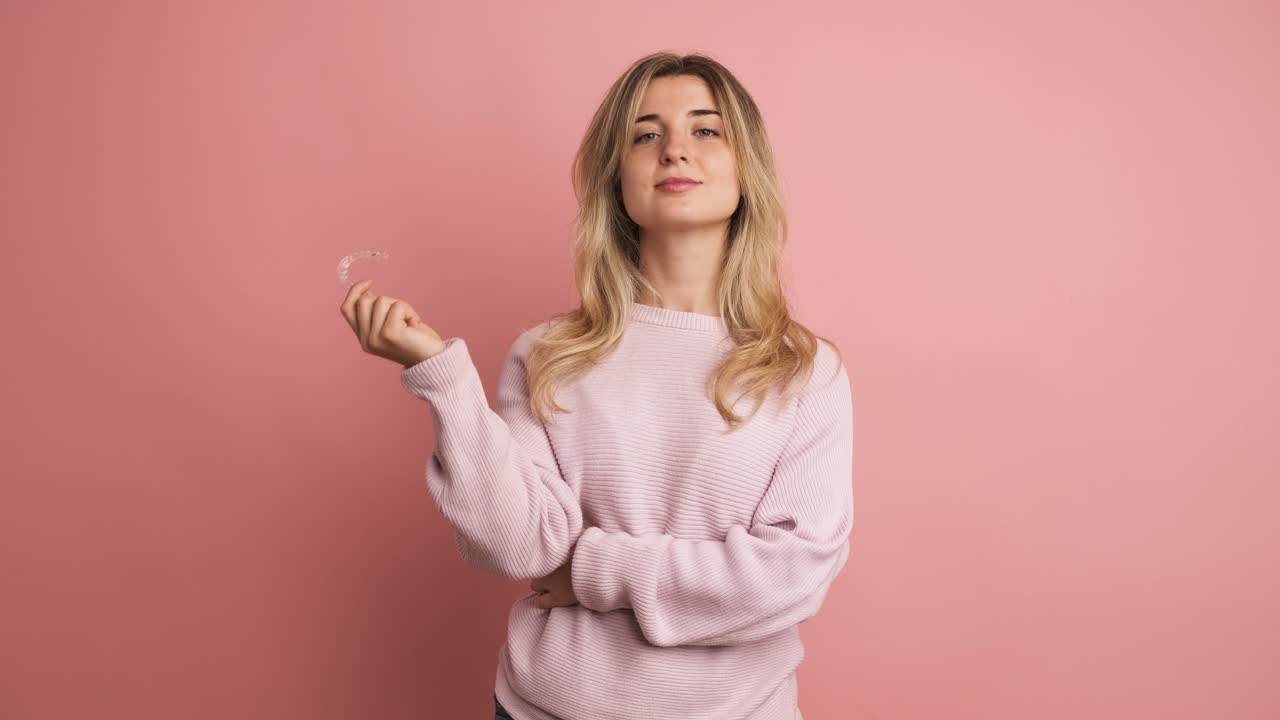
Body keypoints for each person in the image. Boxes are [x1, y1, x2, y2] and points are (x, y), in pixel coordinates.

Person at [339, 51, 853, 720]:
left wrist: (589, 570)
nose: (674, 150)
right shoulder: (549, 355)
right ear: (617, 178)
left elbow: (789, 579)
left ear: (747, 167)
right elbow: (512, 545)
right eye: (645, 134)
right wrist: (441, 376)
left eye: (705, 130)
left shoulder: (805, 372)